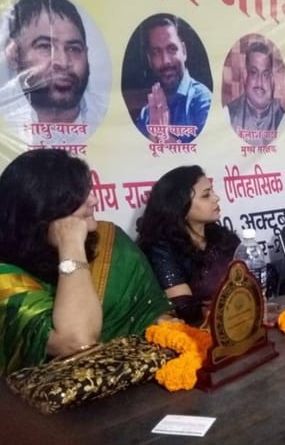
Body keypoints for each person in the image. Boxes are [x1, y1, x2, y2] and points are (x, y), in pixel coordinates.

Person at [0, 149, 171, 375]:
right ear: (41, 206)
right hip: (57, 393)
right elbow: (77, 341)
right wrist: (71, 245)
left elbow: (151, 312)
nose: (94, 200)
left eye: (88, 191)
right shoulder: (5, 278)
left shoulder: (109, 240)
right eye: (78, 196)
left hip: (141, 378)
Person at [137, 165, 240, 326]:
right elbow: (184, 309)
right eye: (206, 195)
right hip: (195, 332)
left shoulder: (223, 238)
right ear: (180, 205)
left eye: (212, 191)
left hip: (238, 322)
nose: (216, 198)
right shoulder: (160, 249)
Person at [0, 0, 100, 146]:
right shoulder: (6, 124)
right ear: (14, 54)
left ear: (86, 55)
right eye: (45, 46)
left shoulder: (106, 123)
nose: (63, 62)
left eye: (73, 49)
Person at [135, 15, 211, 143]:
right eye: (156, 52)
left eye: (172, 49)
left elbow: (209, 152)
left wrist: (163, 136)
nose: (166, 61)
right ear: (149, 60)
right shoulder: (146, 113)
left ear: (184, 52)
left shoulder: (201, 100)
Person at [226, 41, 285, 146]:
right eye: (253, 72)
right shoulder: (229, 115)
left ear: (272, 80)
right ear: (245, 76)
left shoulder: (282, 117)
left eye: (265, 74)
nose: (260, 82)